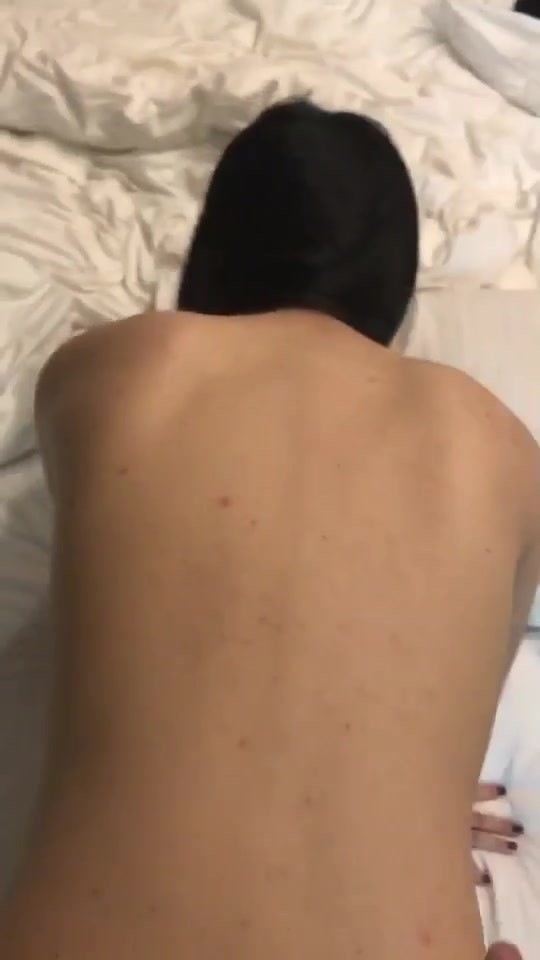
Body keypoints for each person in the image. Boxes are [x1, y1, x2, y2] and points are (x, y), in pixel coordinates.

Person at [0, 100, 537, 960]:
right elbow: (455, 729)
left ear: (215, 250)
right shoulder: (505, 451)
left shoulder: (102, 371)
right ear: (396, 282)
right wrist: (412, 811)